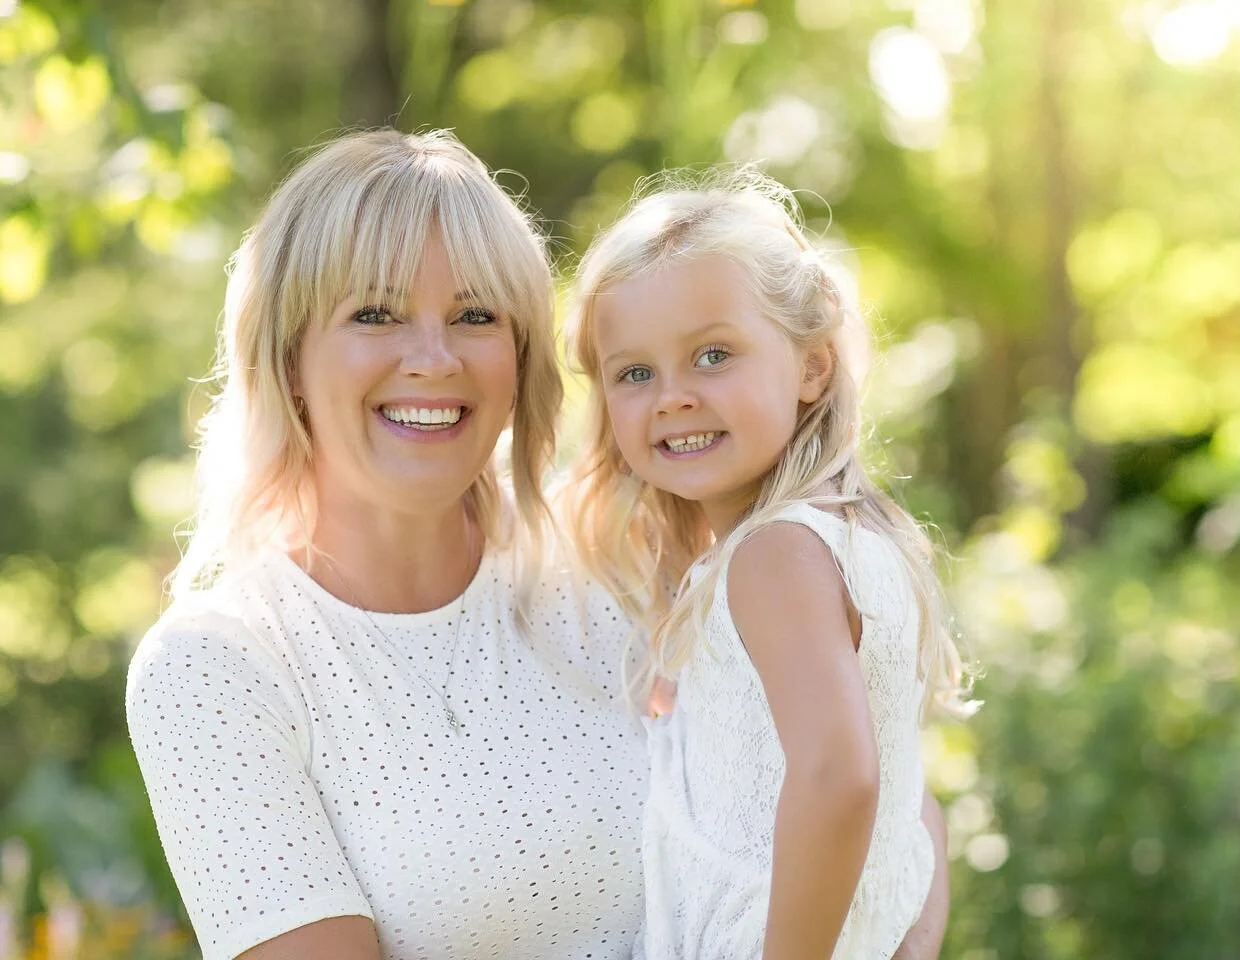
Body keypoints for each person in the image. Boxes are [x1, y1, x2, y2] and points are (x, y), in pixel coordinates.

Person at [126, 129, 951, 960]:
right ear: (289, 358)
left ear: (519, 356)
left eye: (476, 315)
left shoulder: (617, 562)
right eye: (374, 314)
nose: (433, 357)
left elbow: (880, 791)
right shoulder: (215, 670)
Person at [564, 168, 971, 960]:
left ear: (813, 366)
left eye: (712, 355)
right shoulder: (846, 537)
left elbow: (840, 777)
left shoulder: (774, 556)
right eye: (636, 373)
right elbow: (914, 804)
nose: (673, 396)